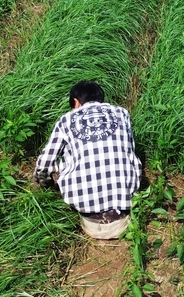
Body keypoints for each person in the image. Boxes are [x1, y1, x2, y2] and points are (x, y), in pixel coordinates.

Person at [34, 81, 142, 239]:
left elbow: (44, 164)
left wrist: (43, 184)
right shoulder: (122, 113)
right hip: (124, 214)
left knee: (66, 158)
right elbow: (131, 152)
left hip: (89, 218)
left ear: (76, 102)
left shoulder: (66, 120)